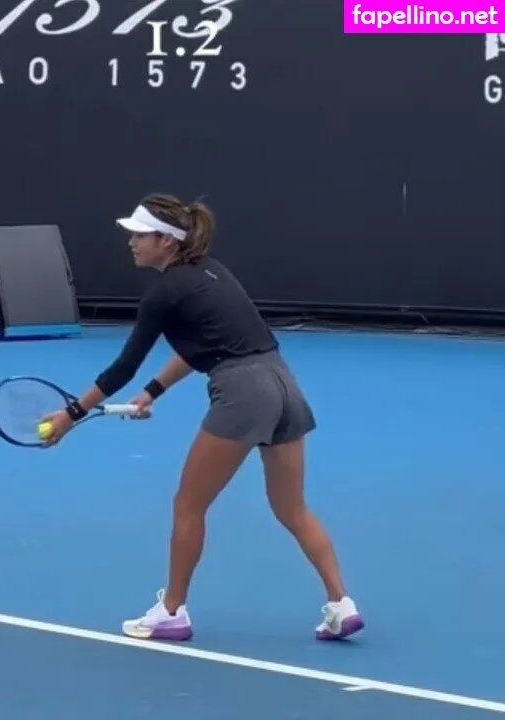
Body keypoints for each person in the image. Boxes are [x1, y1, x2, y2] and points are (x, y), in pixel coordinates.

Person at [41, 193, 364, 642]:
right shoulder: (213, 272)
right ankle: (341, 604)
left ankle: (172, 611)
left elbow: (123, 367)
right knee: (292, 507)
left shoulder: (163, 293)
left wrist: (71, 414)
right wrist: (153, 392)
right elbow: (203, 346)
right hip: (284, 385)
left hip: (244, 394)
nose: (131, 242)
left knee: (188, 505)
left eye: (140, 235)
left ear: (166, 241)